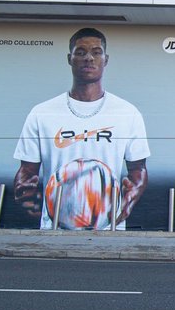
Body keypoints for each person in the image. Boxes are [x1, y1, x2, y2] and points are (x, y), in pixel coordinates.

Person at [13, 28, 150, 230]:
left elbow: (138, 169)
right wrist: (27, 196)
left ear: (106, 59)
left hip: (109, 229)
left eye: (96, 52)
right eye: (80, 52)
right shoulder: (42, 113)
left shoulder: (128, 113)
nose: (89, 58)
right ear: (70, 58)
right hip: (54, 229)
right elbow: (27, 171)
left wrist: (128, 201)